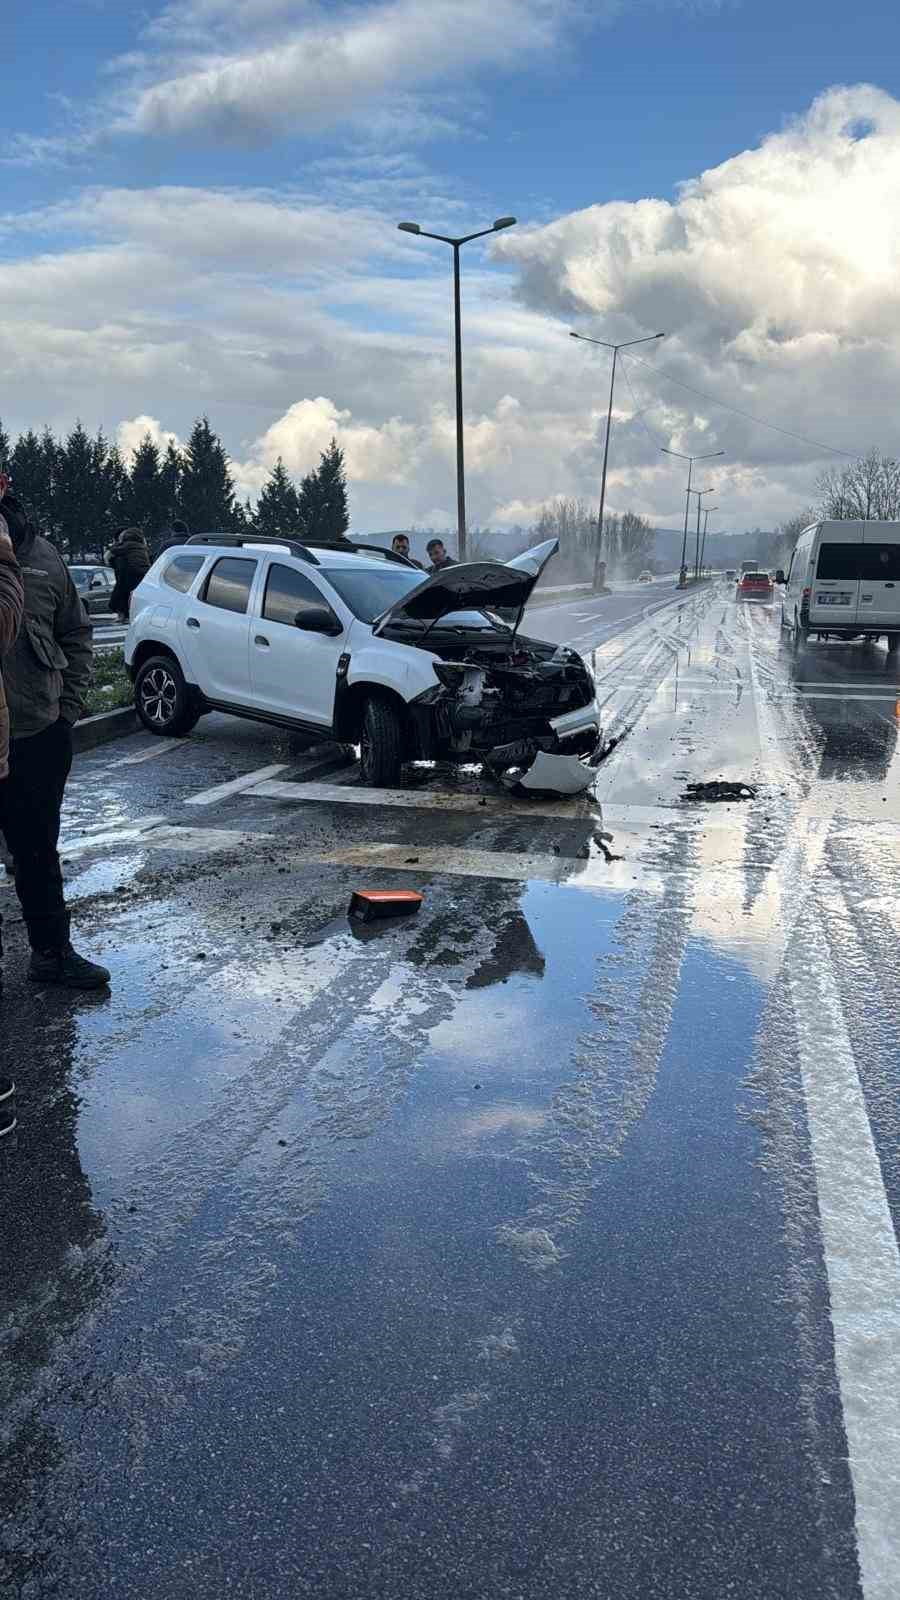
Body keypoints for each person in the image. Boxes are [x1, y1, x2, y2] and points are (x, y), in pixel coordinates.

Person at [0, 488, 110, 989]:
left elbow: (76, 633)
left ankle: (52, 954)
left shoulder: (43, 556)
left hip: (37, 733)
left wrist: (66, 713)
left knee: (38, 850)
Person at [108, 526, 151, 621]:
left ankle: (122, 614)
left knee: (122, 592)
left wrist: (116, 545)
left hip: (130, 573)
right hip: (143, 574)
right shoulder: (142, 547)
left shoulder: (125, 548)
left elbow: (112, 552)